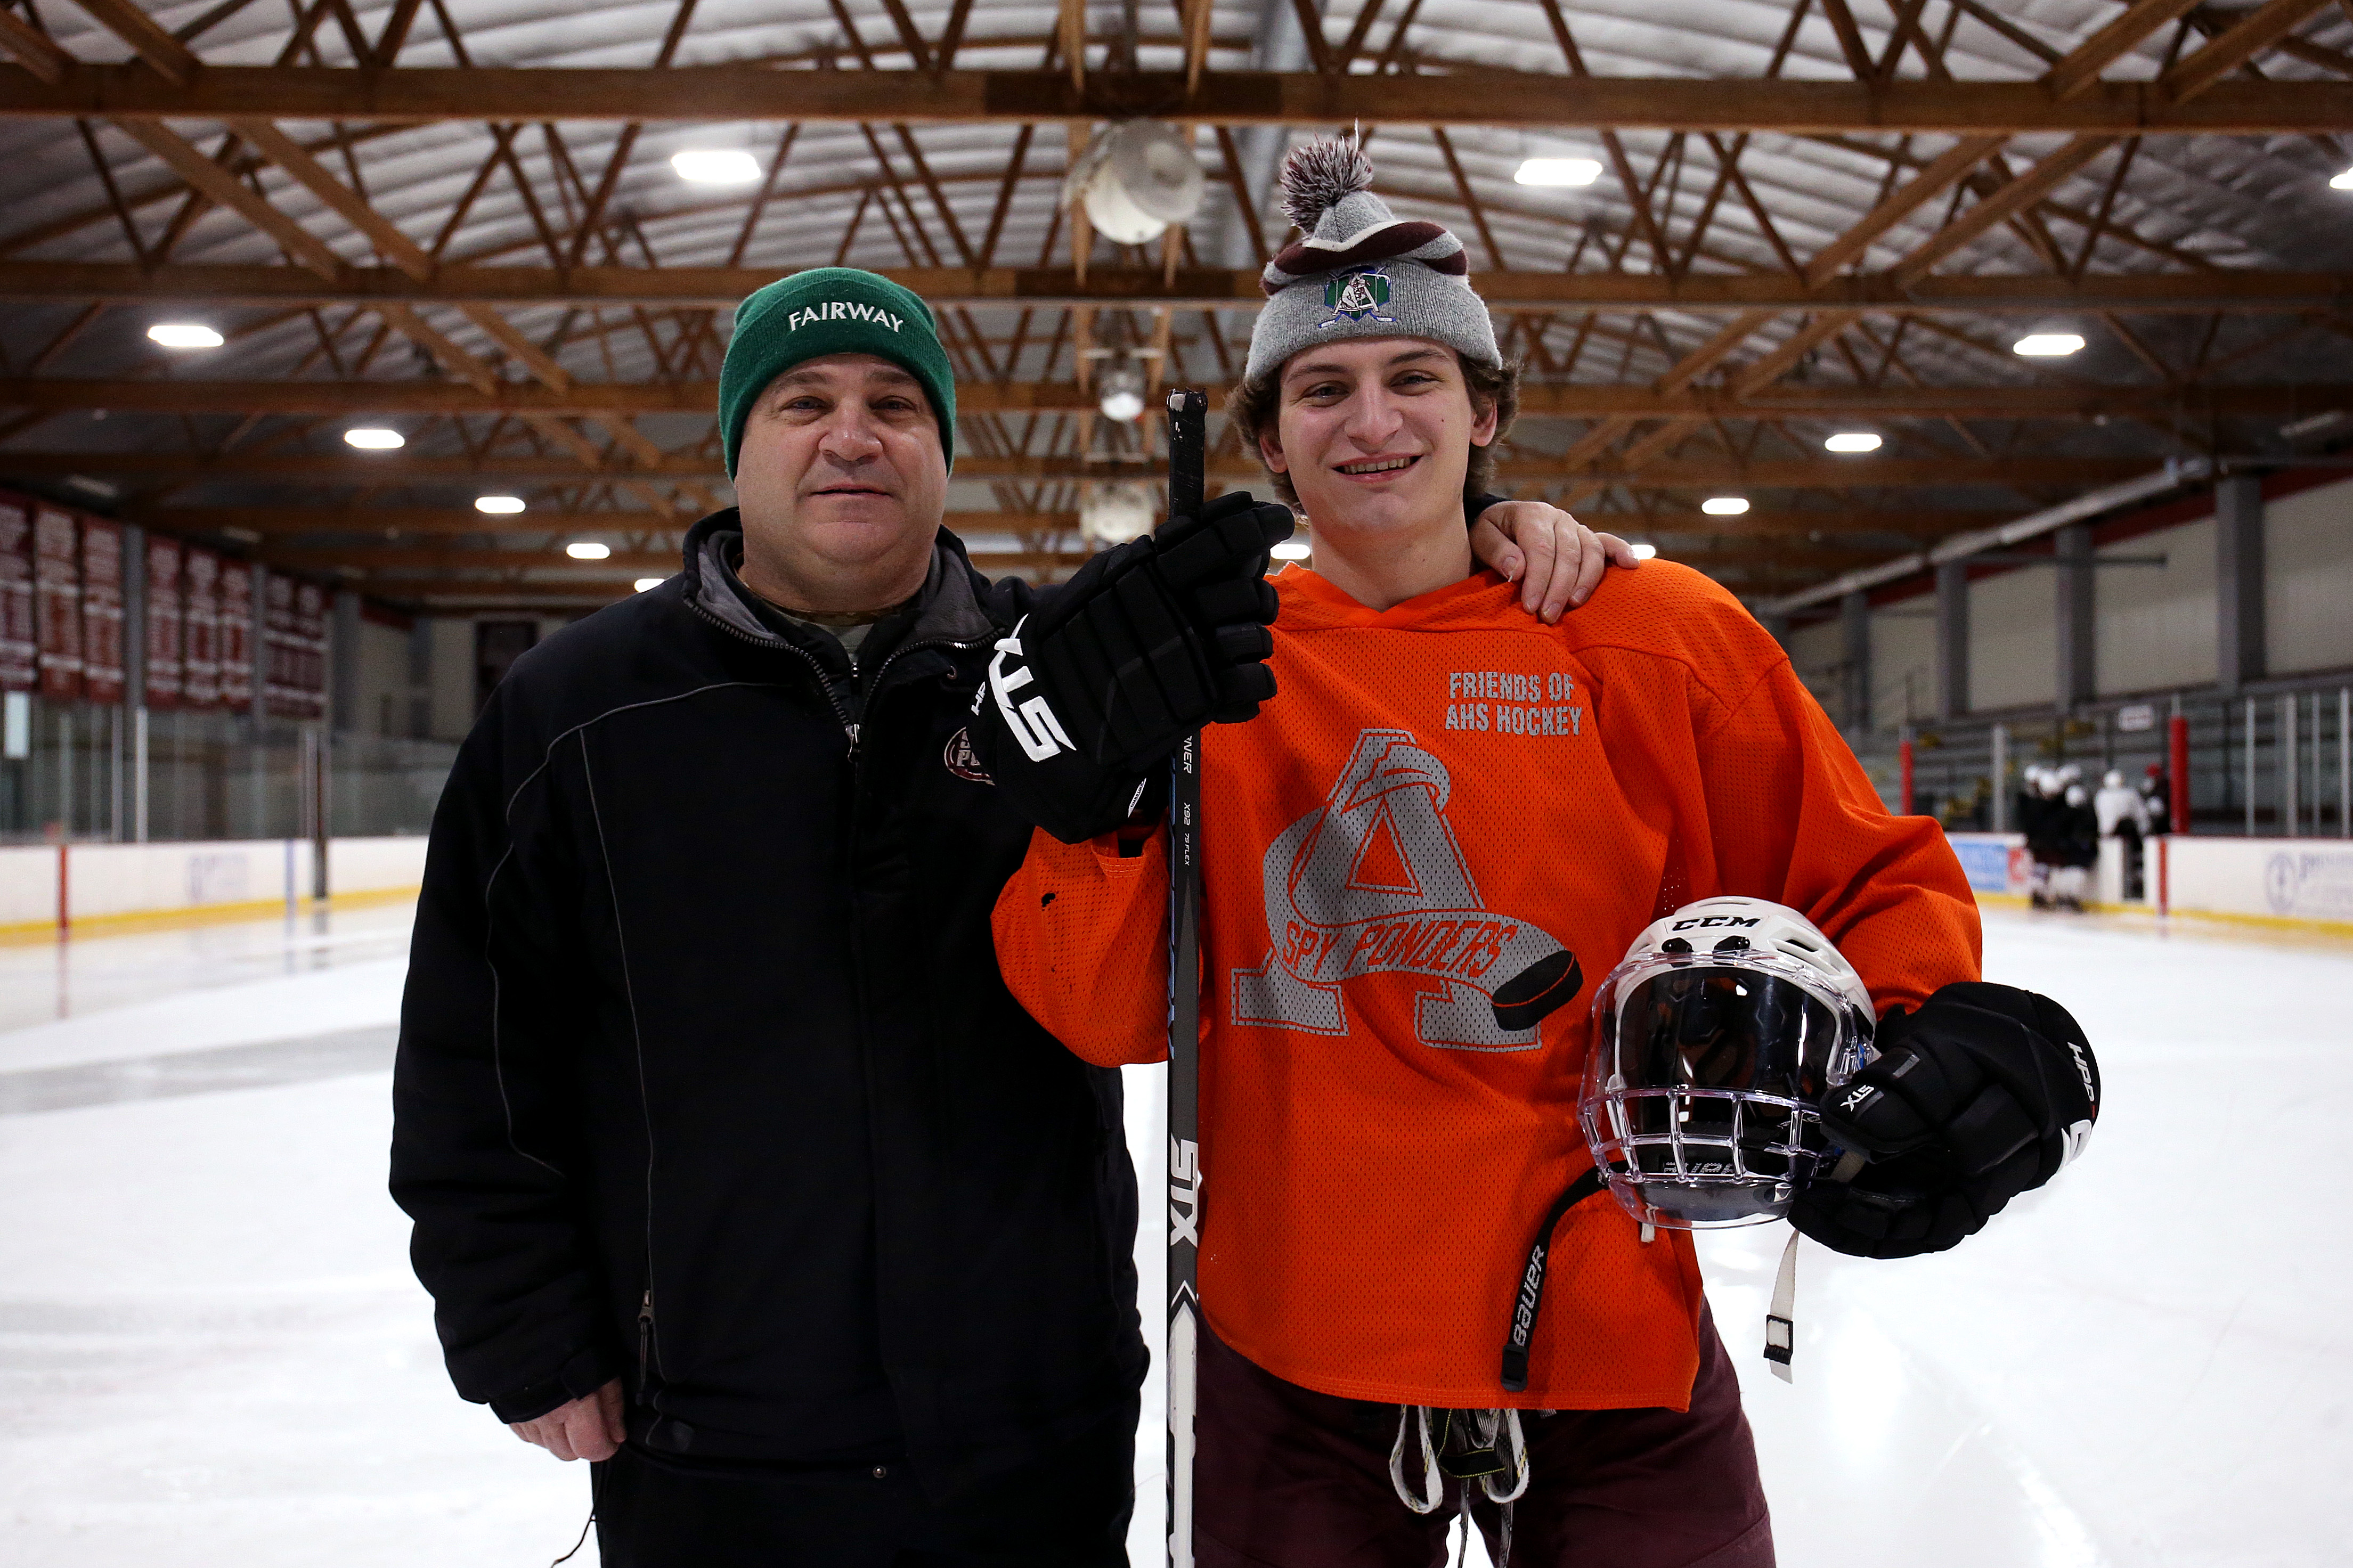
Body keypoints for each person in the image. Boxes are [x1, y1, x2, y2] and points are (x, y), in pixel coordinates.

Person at [388, 264, 1629, 1567]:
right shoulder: (575, 709)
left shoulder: (1074, 675)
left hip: (1031, 1426)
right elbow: (473, 1054)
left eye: (895, 404)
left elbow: (1360, 663)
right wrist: (522, 1327)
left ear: (942, 450)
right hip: (710, 1428)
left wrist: (1488, 533)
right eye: (803, 403)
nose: (853, 435)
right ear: (737, 447)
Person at [971, 143, 2100, 1567]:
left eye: (1413, 378)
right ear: (1268, 439)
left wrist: (1923, 1033)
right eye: (1323, 388)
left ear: (1485, 410)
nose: (1369, 420)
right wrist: (1088, 802)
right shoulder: (1207, 674)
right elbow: (1106, 1012)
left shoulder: (1652, 634)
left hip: (1610, 1330)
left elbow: (1864, 883)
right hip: (1288, 1346)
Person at [2094, 768, 2149, 901]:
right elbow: (2141, 815)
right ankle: (2135, 886)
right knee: (2132, 865)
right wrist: (2145, 832)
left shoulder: (2101, 796)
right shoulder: (2131, 794)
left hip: (2106, 837)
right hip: (2128, 836)